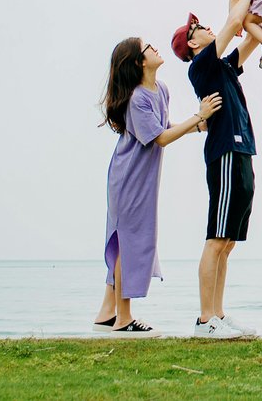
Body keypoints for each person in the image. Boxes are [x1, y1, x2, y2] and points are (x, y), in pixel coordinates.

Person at [94, 37, 222, 336]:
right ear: (139, 62)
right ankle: (123, 318)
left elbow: (162, 128)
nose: (155, 48)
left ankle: (106, 312)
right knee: (128, 244)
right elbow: (160, 138)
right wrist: (198, 117)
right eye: (147, 48)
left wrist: (197, 126)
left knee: (131, 241)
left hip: (142, 179)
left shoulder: (161, 90)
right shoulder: (137, 97)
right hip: (128, 179)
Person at [172, 0, 261, 339]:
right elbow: (234, 20)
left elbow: (250, 40)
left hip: (241, 152)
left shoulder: (222, 66)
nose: (208, 29)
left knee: (227, 243)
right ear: (193, 44)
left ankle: (219, 315)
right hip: (223, 154)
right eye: (200, 30)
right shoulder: (202, 65)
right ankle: (205, 319)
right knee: (215, 237)